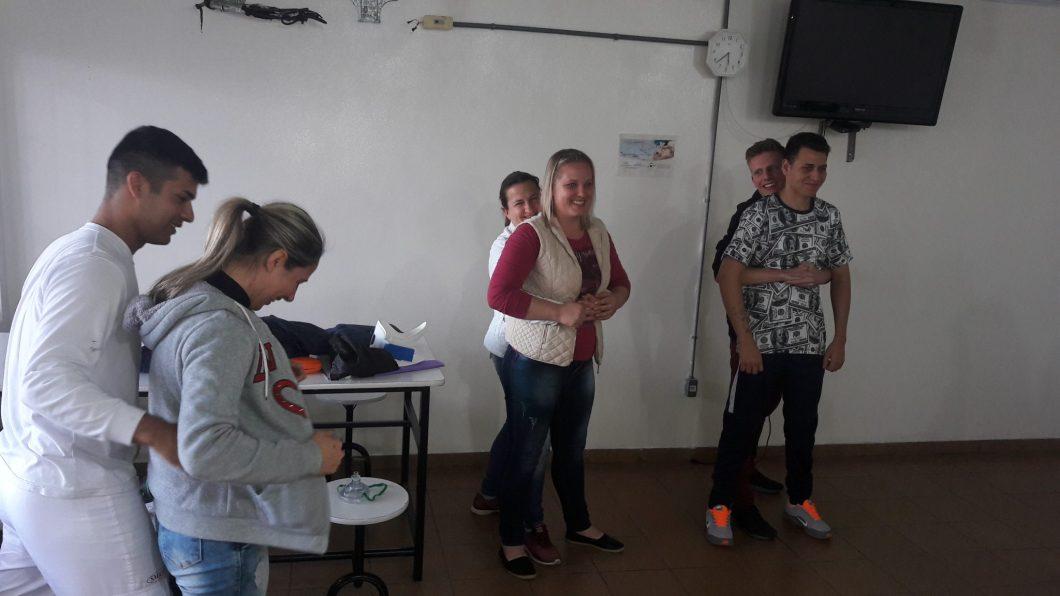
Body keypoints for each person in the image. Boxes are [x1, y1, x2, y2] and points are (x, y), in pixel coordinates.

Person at [0, 126, 206, 594]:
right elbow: (45, 381)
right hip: (75, 487)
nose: (189, 215)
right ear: (137, 184)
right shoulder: (93, 265)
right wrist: (154, 432)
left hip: (28, 476)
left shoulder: (76, 251)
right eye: (181, 198)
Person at [124, 198, 343, 593]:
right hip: (216, 535)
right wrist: (311, 457)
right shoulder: (221, 326)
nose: (291, 297)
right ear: (276, 260)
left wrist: (268, 378)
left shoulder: (199, 301)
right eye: (297, 281)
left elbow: (198, 391)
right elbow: (206, 449)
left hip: (197, 520)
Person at [488, 149, 631, 579]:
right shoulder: (530, 234)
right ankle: (512, 540)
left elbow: (621, 283)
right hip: (537, 362)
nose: (581, 192)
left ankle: (579, 525)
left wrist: (613, 301)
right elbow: (499, 295)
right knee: (526, 456)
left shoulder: (597, 231)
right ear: (552, 186)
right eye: (571, 184)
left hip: (582, 358)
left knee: (571, 451)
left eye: (588, 183)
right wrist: (558, 312)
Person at [706, 132, 851, 546]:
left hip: (808, 344)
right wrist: (745, 339)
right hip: (761, 344)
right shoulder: (757, 215)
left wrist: (839, 338)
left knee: (803, 428)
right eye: (807, 167)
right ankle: (720, 505)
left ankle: (800, 500)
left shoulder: (829, 216)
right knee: (741, 428)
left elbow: (841, 275)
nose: (816, 176)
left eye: (822, 168)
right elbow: (728, 275)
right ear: (788, 168)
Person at [472, 171, 560, 565]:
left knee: (520, 428)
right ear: (505, 211)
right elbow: (513, 298)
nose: (528, 208)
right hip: (511, 349)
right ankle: (530, 523)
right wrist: (563, 307)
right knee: (535, 439)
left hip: (542, 349)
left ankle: (490, 493)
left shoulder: (551, 236)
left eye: (533, 199)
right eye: (518, 203)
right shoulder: (506, 245)